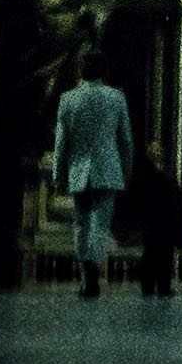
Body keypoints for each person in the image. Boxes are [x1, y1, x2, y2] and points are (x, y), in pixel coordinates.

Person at [51, 45, 133, 299]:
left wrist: (58, 174)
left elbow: (61, 142)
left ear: (81, 70)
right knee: (100, 226)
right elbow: (126, 140)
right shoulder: (116, 98)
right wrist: (126, 171)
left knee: (81, 225)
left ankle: (85, 276)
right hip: (108, 171)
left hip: (79, 171)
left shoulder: (68, 98)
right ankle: (92, 275)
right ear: (104, 71)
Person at [132, 142, 182, 298]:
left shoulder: (156, 176)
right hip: (157, 221)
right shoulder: (151, 176)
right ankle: (154, 286)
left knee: (160, 254)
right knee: (156, 253)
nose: (158, 154)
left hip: (161, 221)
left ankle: (158, 286)